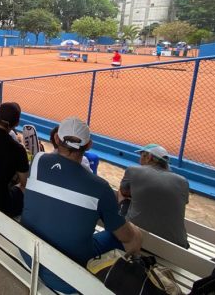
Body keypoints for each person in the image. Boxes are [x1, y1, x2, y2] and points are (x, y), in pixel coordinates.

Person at [21, 117, 143, 293]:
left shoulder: (37, 161)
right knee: (134, 236)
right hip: (68, 279)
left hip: (28, 255)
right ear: (89, 145)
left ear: (56, 139)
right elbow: (126, 236)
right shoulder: (100, 187)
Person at [119, 143, 189, 248]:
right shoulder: (183, 181)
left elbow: (124, 192)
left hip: (136, 237)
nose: (139, 160)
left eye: (141, 156)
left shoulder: (133, 170)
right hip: (176, 246)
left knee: (121, 195)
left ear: (149, 157)